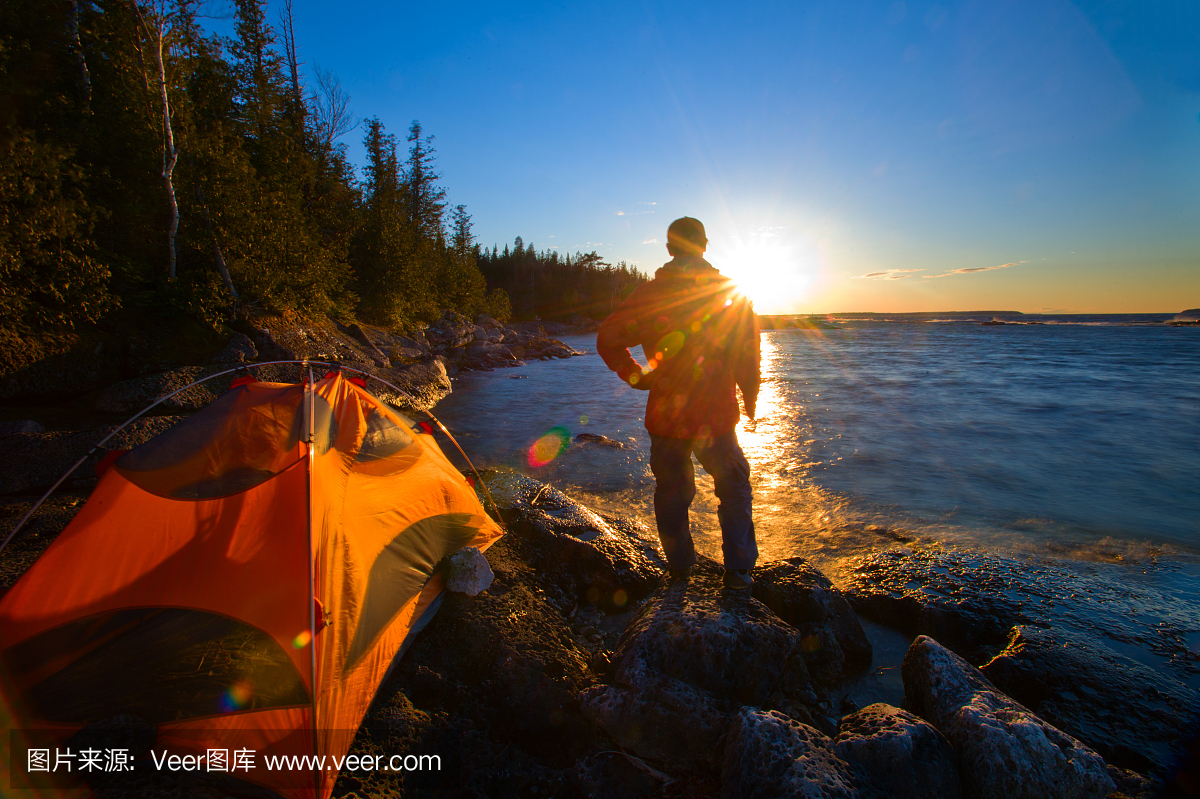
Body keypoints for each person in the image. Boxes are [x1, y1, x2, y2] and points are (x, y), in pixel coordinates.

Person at [597, 217, 760, 589]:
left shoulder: (649, 295)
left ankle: (680, 569)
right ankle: (737, 572)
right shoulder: (728, 292)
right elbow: (748, 352)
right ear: (705, 245)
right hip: (715, 416)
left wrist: (635, 374)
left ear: (669, 248)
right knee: (733, 489)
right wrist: (749, 397)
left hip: (667, 415)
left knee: (672, 492)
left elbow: (608, 338)